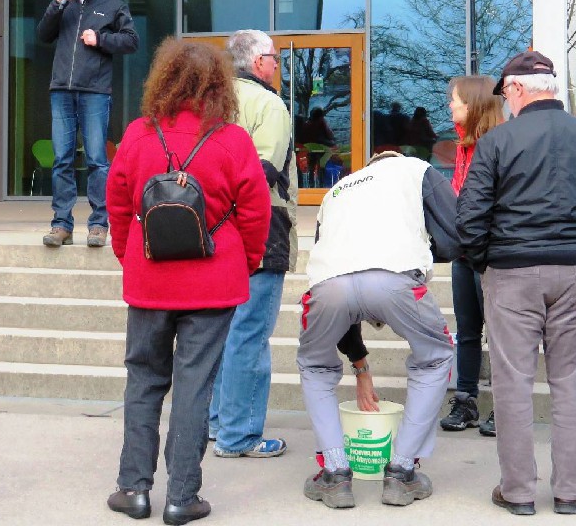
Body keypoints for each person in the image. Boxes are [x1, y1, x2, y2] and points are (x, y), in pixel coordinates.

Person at [457, 51, 576, 516]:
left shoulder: (497, 143)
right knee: (571, 382)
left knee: (513, 383)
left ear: (515, 90)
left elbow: (470, 217)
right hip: (573, 272)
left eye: (506, 95)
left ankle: (517, 493)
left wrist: (485, 264)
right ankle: (572, 491)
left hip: (511, 272)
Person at [104, 39, 270, 525]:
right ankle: (181, 498)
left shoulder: (139, 134)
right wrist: (249, 260)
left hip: (150, 278)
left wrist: (127, 253)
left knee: (144, 380)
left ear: (163, 80)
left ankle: (133, 489)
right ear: (219, 85)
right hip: (213, 280)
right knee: (195, 387)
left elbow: (116, 203)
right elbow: (255, 212)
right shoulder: (233, 140)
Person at [297, 151, 459, 510]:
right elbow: (454, 237)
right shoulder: (418, 170)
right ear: (397, 157)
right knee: (435, 358)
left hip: (327, 285)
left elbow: (341, 280)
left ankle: (335, 473)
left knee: (316, 365)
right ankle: (402, 472)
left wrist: (360, 365)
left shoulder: (336, 190)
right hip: (395, 276)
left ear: (368, 166)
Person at [209, 29, 297, 459]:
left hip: (210, 230)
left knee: (220, 333)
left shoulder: (209, 102)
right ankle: (239, 435)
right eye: (275, 58)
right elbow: (263, 174)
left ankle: (215, 423)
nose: (277, 65)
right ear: (258, 61)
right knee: (249, 335)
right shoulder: (269, 104)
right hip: (260, 230)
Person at [37, 0, 139, 248]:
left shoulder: (111, 4)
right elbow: (43, 35)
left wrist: (101, 39)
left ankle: (98, 224)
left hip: (94, 90)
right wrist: (55, 5)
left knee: (97, 160)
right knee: (61, 160)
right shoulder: (63, 2)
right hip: (61, 90)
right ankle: (61, 224)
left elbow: (132, 40)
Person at [440, 76, 501, 436]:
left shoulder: (498, 144)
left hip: (491, 254)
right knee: (466, 329)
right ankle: (466, 401)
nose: (451, 105)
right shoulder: (463, 145)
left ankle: (503, 405)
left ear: (475, 104)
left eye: (456, 100)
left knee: (499, 332)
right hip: (464, 252)